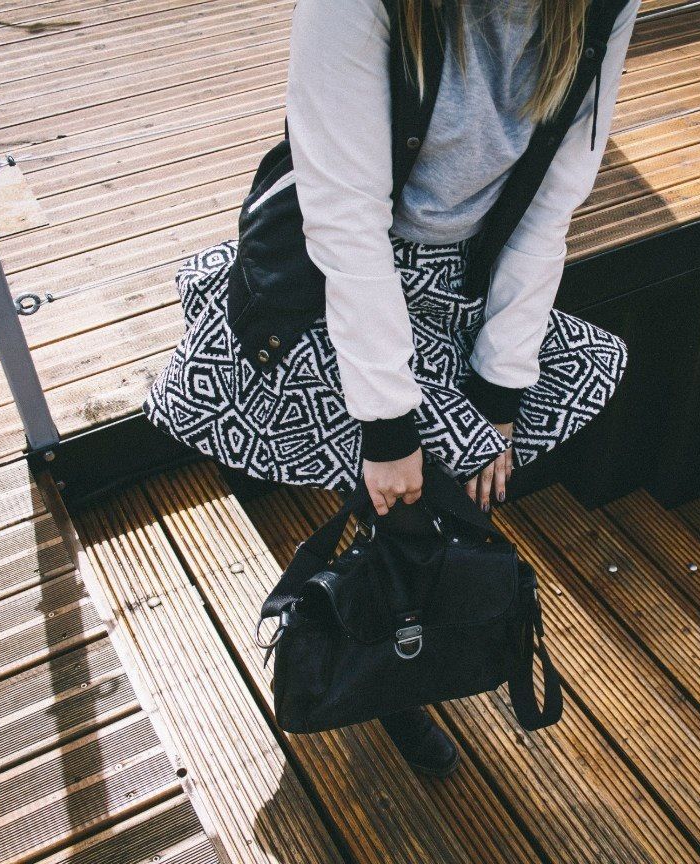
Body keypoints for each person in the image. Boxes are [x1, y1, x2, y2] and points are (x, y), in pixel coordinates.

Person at [144, 0, 638, 777]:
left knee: (431, 485)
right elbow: (342, 222)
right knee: (389, 477)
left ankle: (387, 653)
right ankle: (381, 672)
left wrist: (500, 391)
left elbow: (550, 207)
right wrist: (387, 429)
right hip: (330, 270)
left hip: (464, 274)